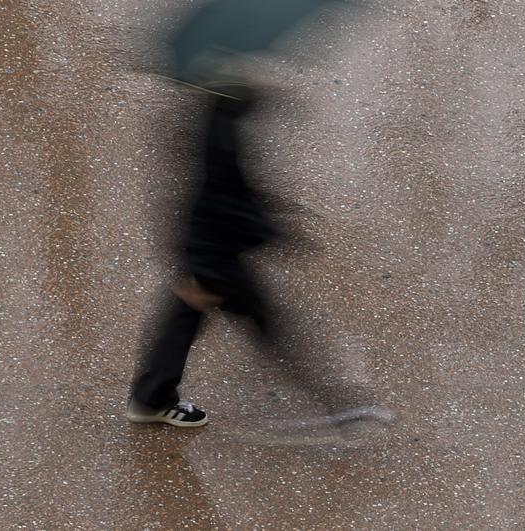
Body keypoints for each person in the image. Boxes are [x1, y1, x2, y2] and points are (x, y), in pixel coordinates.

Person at [128, 78, 392, 428]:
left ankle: (151, 397)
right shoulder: (221, 128)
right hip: (215, 251)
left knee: (186, 318)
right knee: (268, 323)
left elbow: (224, 183)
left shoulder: (213, 116)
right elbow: (224, 190)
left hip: (204, 245)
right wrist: (271, 230)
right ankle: (338, 405)